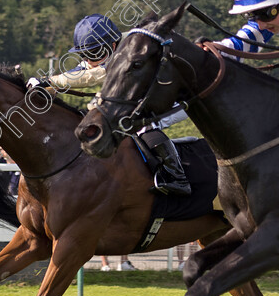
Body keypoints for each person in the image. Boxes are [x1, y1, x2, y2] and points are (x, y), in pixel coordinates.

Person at [29, 13, 191, 197]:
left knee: (139, 121)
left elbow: (93, 76)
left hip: (180, 99)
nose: (87, 60)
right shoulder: (106, 48)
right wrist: (44, 87)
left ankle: (177, 176)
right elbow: (76, 74)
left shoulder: (128, 50)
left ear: (112, 47)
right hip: (151, 95)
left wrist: (50, 80)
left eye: (92, 54)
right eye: (83, 54)